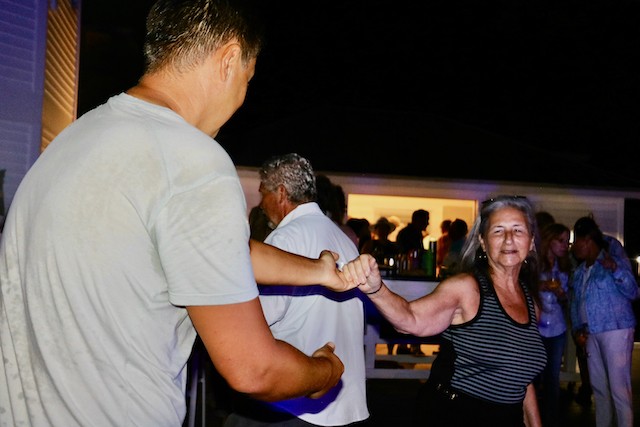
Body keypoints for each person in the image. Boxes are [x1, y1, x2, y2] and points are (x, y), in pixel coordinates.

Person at [0, 2, 374, 425]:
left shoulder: (76, 139)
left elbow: (217, 249)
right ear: (229, 59)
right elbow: (254, 369)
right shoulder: (193, 162)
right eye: (248, 79)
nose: (242, 98)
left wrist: (317, 271)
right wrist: (326, 371)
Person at [354, 195, 547, 427]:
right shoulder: (467, 288)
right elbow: (411, 319)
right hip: (456, 414)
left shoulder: (531, 303)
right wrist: (376, 289)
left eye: (518, 230)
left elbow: (521, 377)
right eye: (498, 231)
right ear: (483, 241)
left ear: (531, 241)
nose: (508, 239)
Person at [224, 153, 369, 426]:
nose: (261, 204)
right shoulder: (342, 239)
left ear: (281, 193)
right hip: (343, 402)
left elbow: (259, 319)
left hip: (298, 404)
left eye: (263, 193)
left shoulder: (284, 238)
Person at [569, 216, 637, 427]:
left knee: (619, 388)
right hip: (591, 333)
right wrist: (577, 329)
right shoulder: (580, 272)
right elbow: (575, 302)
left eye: (577, 241)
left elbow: (633, 292)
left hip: (616, 329)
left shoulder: (612, 261)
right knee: (599, 388)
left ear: (588, 240)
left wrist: (615, 268)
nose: (574, 246)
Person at [535, 223, 572, 427]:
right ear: (549, 240)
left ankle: (549, 420)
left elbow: (567, 301)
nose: (565, 245)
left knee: (552, 378)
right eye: (561, 240)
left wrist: (562, 295)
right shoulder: (534, 265)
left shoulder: (564, 267)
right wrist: (538, 286)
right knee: (533, 376)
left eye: (567, 241)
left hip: (557, 328)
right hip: (536, 328)